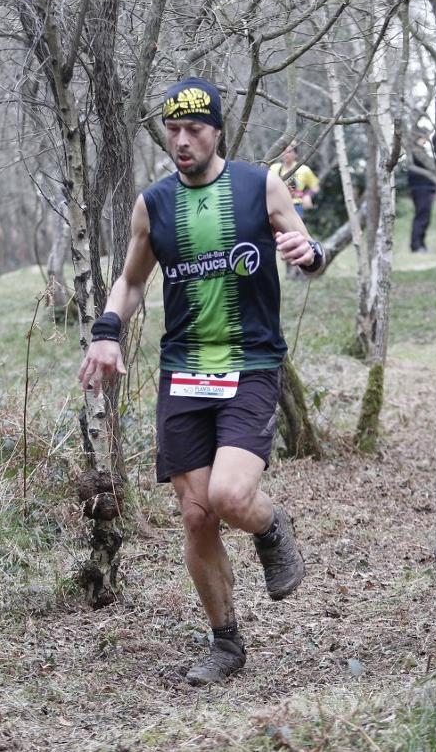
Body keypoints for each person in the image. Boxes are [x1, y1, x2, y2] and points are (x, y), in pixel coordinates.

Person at [80, 77, 323, 686]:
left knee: (231, 498)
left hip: (250, 364)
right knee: (196, 516)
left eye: (195, 130)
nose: (182, 141)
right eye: (174, 130)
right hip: (184, 371)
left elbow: (308, 248)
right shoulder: (154, 204)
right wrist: (107, 330)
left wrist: (308, 252)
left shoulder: (258, 184)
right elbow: (133, 281)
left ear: (217, 131)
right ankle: (226, 642)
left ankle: (270, 526)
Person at [407, 135, 436, 252]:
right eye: (422, 139)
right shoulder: (416, 153)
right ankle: (416, 245)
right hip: (420, 189)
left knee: (425, 218)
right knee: (421, 217)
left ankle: (421, 244)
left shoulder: (423, 153)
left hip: (427, 189)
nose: (425, 141)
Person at [269, 143, 320, 216]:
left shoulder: (304, 169)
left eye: (289, 152)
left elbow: (316, 187)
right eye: (284, 151)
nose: (286, 154)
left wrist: (308, 195)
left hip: (295, 205)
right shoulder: (274, 168)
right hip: (277, 205)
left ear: (296, 154)